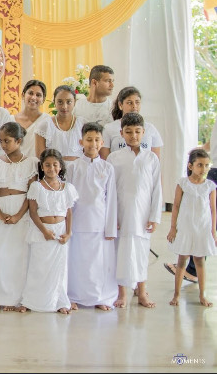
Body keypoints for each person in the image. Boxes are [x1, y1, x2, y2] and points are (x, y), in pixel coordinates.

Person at [0, 122, 38, 311]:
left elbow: (32, 192)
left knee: (18, 256)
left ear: (19, 141)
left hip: (21, 210)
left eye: (7, 141)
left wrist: (18, 215)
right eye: (1, 141)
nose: (3, 145)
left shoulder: (31, 163)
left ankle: (14, 298)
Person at [107, 112, 161, 309]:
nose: (133, 136)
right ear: (121, 133)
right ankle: (121, 293)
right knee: (121, 253)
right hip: (122, 214)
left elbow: (157, 189)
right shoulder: (114, 158)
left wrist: (154, 216)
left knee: (140, 253)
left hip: (143, 215)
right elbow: (110, 191)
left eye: (137, 132)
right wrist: (112, 217)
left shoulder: (151, 159)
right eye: (128, 132)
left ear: (144, 132)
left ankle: (142, 292)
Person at [65, 123, 118, 311]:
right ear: (81, 142)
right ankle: (73, 296)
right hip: (77, 223)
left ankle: (100, 297)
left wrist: (110, 228)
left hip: (99, 223)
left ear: (102, 142)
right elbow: (68, 199)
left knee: (98, 263)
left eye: (96, 140)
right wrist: (66, 226)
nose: (93, 143)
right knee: (76, 262)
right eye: (89, 139)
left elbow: (111, 199)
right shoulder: (72, 167)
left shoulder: (107, 168)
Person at [19, 149, 78, 314]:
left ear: (60, 167)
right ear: (42, 167)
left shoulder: (67, 188)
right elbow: (33, 212)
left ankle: (59, 301)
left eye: (55, 165)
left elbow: (69, 212)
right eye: (47, 165)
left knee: (59, 269)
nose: (51, 168)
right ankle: (32, 301)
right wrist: (44, 231)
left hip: (60, 232)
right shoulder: (36, 187)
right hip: (42, 231)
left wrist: (69, 232)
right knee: (38, 267)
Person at [168, 149, 216, 307]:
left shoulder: (210, 186)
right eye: (200, 165)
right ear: (190, 165)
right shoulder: (183, 183)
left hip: (202, 228)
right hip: (185, 227)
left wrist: (213, 231)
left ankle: (202, 295)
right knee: (182, 260)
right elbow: (175, 206)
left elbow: (213, 209)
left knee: (200, 261)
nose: (204, 169)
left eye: (207, 165)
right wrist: (173, 228)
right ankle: (176, 295)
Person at [100, 86, 163, 161]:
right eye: (129, 103)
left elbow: (155, 163)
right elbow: (105, 162)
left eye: (137, 102)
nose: (134, 106)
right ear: (120, 105)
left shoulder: (150, 128)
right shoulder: (109, 128)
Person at [35, 85, 84, 161]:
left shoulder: (83, 124)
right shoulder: (44, 125)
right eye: (60, 102)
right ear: (54, 102)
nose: (64, 106)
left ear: (74, 102)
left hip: (78, 170)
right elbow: (40, 158)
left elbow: (89, 154)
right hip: (53, 171)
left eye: (69, 102)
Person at [15, 80, 49, 158]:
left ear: (43, 99)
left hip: (37, 167)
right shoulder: (10, 120)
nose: (33, 97)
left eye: (38, 95)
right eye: (30, 93)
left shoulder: (47, 121)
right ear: (23, 95)